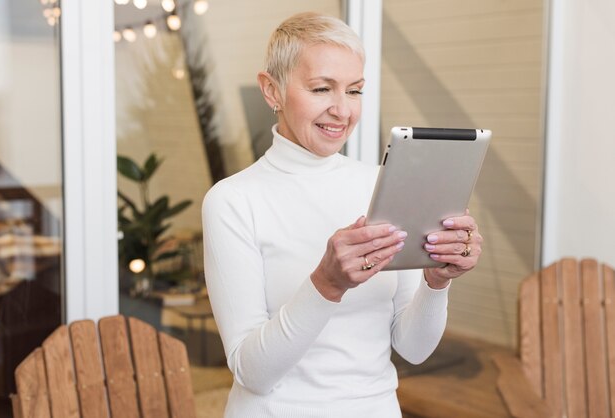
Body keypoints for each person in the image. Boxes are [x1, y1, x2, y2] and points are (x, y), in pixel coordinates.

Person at [202, 12, 483, 418]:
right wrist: (326, 283)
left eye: (355, 91)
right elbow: (253, 373)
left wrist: (436, 282)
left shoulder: (381, 186)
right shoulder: (232, 201)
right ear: (271, 90)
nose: (341, 110)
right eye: (321, 88)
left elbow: (414, 348)